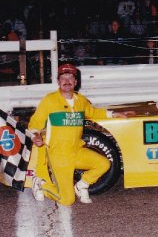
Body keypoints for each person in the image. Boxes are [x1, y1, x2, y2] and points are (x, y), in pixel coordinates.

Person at [28, 63, 135, 206]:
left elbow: (93, 112)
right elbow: (35, 122)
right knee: (67, 200)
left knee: (103, 164)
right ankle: (42, 184)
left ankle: (81, 185)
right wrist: (35, 135)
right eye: (63, 78)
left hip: (76, 151)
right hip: (59, 155)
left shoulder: (81, 100)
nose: (67, 81)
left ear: (76, 82)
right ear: (58, 81)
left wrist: (115, 113)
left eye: (70, 77)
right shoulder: (50, 100)